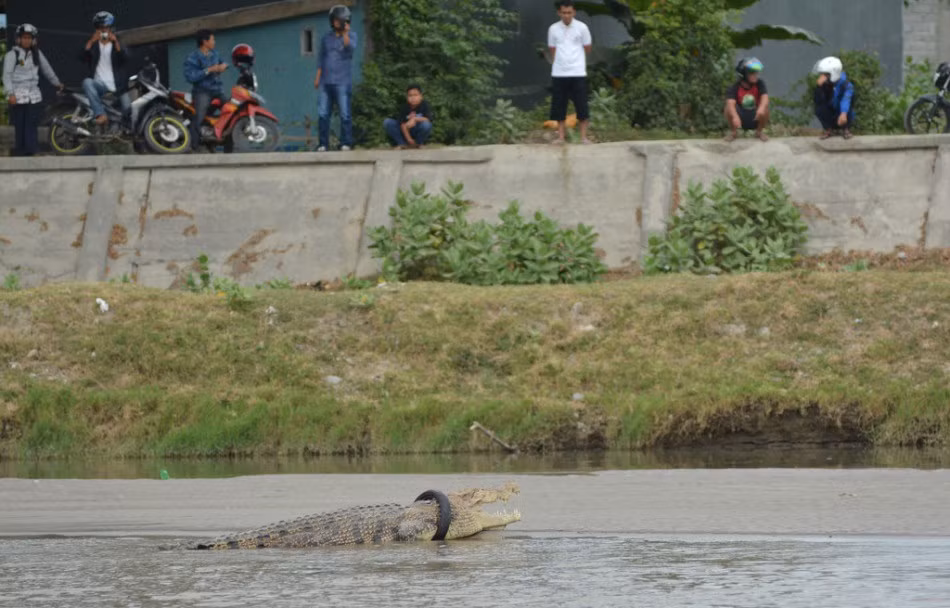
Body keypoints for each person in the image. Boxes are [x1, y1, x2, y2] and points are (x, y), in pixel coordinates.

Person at [2, 23, 63, 156]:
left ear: (33, 40)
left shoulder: (37, 54)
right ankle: (21, 152)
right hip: (18, 96)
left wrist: (57, 83)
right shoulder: (12, 55)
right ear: (18, 39)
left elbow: (47, 69)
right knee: (20, 125)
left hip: (34, 96)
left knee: (32, 124)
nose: (27, 40)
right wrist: (10, 94)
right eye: (24, 37)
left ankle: (33, 150)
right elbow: (6, 76)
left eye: (29, 38)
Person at [547, 0, 592, 145]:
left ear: (574, 12)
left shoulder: (582, 28)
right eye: (564, 12)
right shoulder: (553, 29)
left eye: (569, 12)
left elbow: (587, 48)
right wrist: (560, 62)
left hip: (578, 72)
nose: (566, 15)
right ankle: (561, 138)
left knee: (582, 106)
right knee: (559, 106)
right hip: (559, 73)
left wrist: (575, 61)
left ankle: (583, 138)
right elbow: (552, 49)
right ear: (559, 13)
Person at [314, 5, 358, 152]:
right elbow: (321, 58)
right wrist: (317, 77)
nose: (337, 22)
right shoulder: (326, 38)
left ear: (346, 21)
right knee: (322, 114)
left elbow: (350, 49)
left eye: (340, 20)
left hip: (342, 82)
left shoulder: (352, 35)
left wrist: (345, 33)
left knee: (345, 114)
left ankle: (346, 143)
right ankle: (323, 144)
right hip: (325, 82)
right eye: (335, 20)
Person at [80, 11, 130, 127]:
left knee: (129, 115)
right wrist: (91, 41)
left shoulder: (118, 42)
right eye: (100, 28)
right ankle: (100, 114)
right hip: (100, 85)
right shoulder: (93, 44)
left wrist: (115, 42)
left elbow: (124, 59)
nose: (103, 31)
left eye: (106, 28)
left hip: (118, 86)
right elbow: (82, 58)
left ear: (111, 28)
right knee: (87, 82)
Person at [184, 29, 228, 150]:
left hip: (218, 90)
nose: (214, 42)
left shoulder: (215, 53)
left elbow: (224, 63)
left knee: (230, 110)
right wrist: (208, 70)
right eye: (212, 39)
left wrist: (223, 66)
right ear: (205, 41)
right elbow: (190, 77)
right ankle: (194, 146)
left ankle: (227, 141)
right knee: (199, 116)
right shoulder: (192, 57)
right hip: (202, 92)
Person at [724, 57, 769, 142]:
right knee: (727, 108)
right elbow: (730, 104)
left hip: (755, 116)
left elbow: (765, 98)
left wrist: (761, 109)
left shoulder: (760, 83)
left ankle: (759, 132)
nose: (756, 75)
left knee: (765, 108)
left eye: (756, 72)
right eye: (752, 72)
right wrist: (735, 116)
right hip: (740, 118)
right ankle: (733, 132)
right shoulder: (734, 86)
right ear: (744, 74)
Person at [813, 56, 855, 140]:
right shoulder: (826, 84)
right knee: (819, 108)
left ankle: (846, 129)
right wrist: (819, 87)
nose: (822, 76)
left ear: (833, 73)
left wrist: (843, 113)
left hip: (843, 113)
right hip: (831, 111)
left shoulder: (846, 85)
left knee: (847, 107)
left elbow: (846, 100)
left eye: (825, 74)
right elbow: (818, 101)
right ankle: (828, 129)